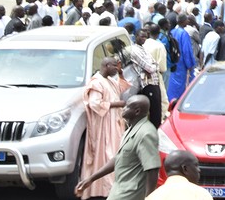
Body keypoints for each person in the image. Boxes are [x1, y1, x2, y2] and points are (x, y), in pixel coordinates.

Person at [75, 95, 160, 200]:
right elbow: (118, 158)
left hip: (131, 194)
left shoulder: (146, 133)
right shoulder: (130, 129)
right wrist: (91, 178)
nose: (123, 108)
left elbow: (152, 169)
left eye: (127, 107)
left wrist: (149, 197)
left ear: (137, 111)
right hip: (119, 189)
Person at [81, 57, 132, 199]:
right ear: (107, 65)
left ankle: (112, 188)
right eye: (114, 66)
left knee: (114, 152)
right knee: (106, 155)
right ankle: (102, 190)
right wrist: (118, 104)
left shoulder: (108, 80)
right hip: (104, 125)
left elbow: (120, 88)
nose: (116, 69)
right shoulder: (97, 82)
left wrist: (121, 73)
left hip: (113, 123)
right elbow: (94, 103)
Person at [143, 150, 209, 199]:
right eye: (196, 166)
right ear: (185, 169)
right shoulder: (201, 194)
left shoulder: (153, 196)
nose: (199, 170)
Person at [168, 16, 195, 102]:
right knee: (181, 85)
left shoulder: (172, 32)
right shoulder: (184, 33)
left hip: (173, 62)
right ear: (183, 21)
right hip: (181, 63)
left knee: (172, 84)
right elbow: (186, 50)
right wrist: (190, 64)